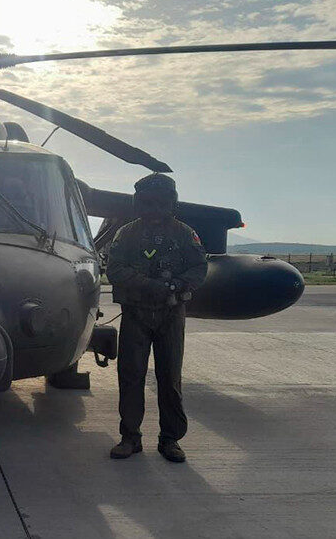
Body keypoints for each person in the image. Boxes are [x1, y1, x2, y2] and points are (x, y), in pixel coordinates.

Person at [106, 174, 208, 463]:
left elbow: (199, 268)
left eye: (160, 203)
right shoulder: (126, 234)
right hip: (136, 313)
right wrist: (149, 285)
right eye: (148, 203)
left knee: (170, 377)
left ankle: (170, 439)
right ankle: (130, 437)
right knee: (130, 376)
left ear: (171, 203)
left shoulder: (185, 234)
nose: (153, 209)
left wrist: (175, 285)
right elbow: (115, 268)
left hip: (171, 314)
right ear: (139, 204)